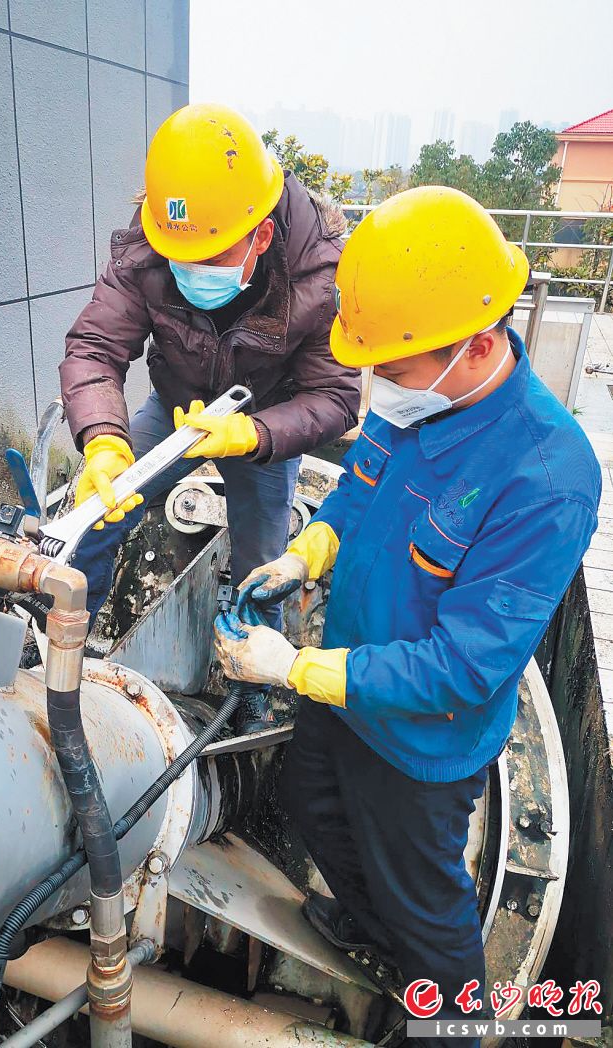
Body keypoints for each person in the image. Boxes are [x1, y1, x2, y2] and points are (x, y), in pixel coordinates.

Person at [213, 186, 601, 1046]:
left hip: (423, 744)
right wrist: (306, 552)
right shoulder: (414, 395)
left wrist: (292, 669)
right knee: (314, 810)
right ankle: (374, 929)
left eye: (391, 365)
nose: (374, 381)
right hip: (346, 685)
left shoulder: (545, 474)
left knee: (426, 903)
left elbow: (466, 665)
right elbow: (357, 492)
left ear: (473, 346)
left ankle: (451, 1017)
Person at [60, 103, 360, 734]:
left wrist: (256, 434)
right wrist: (106, 441)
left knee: (264, 561)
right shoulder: (152, 241)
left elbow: (334, 398)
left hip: (265, 426)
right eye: (181, 258)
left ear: (262, 236)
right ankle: (61, 640)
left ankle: (253, 686)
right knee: (94, 514)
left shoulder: (317, 268)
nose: (191, 271)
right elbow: (94, 348)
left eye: (211, 258)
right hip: (175, 411)